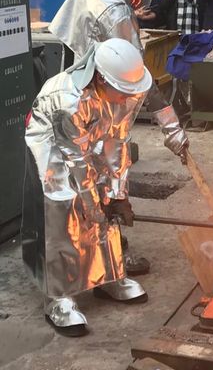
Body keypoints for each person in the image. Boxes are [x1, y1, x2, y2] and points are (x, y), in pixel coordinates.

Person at [48, 0, 190, 276]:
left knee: (98, 175)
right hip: (99, 110)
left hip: (84, 98)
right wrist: (171, 126)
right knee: (104, 179)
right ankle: (106, 260)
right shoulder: (115, 12)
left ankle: (105, 247)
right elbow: (137, 77)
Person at [22, 38, 153, 337]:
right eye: (122, 91)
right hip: (52, 141)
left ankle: (109, 277)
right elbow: (76, 163)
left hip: (90, 133)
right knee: (64, 201)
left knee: (106, 193)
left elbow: (118, 144)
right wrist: (93, 207)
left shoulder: (126, 92)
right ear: (100, 78)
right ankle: (58, 298)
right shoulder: (68, 99)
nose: (127, 97)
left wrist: (118, 196)